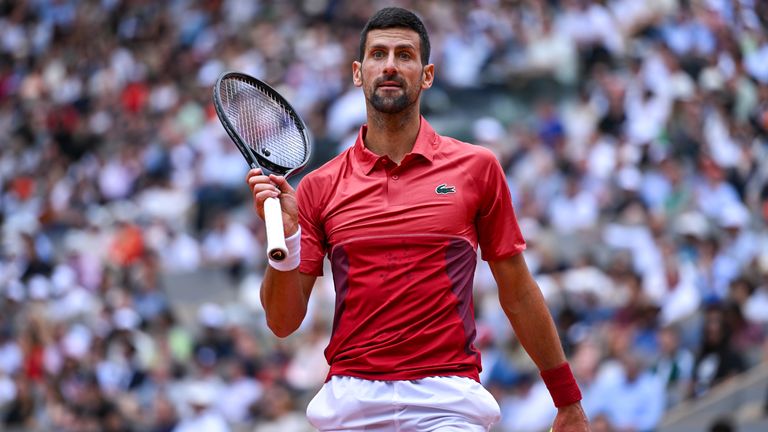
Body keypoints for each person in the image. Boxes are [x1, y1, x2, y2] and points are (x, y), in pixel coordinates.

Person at [246, 7, 589, 432]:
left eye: (405, 55)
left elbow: (517, 291)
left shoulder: (477, 168)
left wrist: (567, 398)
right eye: (378, 55)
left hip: (447, 402)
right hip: (350, 404)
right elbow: (282, 323)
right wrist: (288, 241)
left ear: (426, 75)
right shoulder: (319, 186)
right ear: (359, 72)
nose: (390, 65)